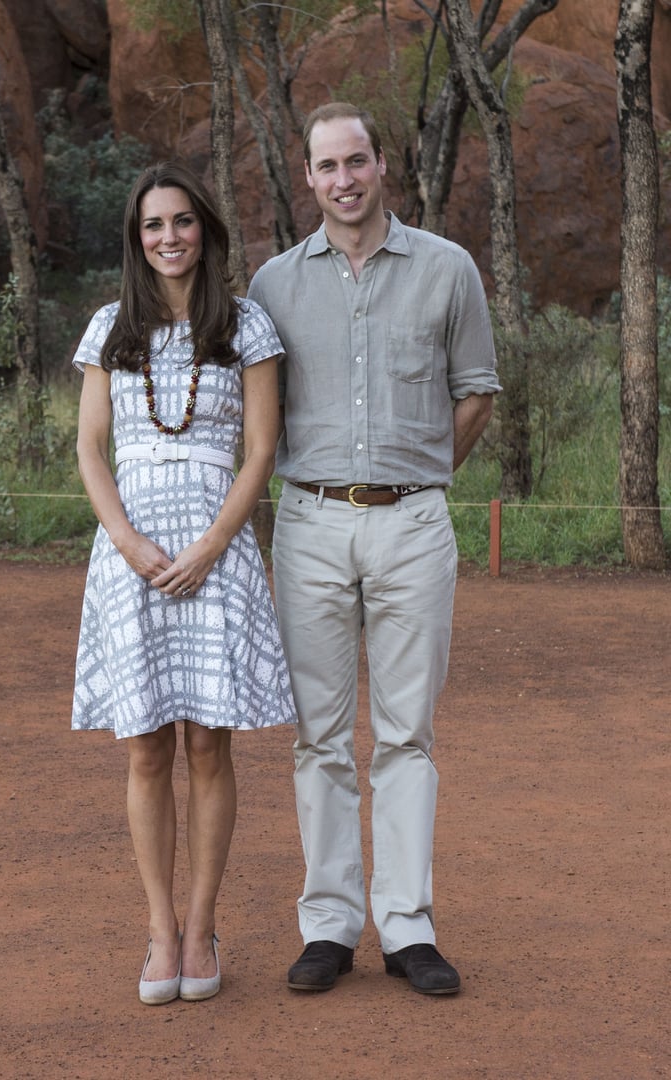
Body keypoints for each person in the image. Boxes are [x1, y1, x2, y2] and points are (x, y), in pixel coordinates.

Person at [248, 102, 501, 996]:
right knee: (318, 736)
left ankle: (406, 927)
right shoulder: (273, 286)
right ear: (307, 179)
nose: (344, 180)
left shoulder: (448, 270)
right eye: (327, 167)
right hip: (309, 522)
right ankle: (328, 925)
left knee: (407, 734)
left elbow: (475, 391)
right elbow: (255, 414)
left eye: (357, 161)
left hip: (413, 525)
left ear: (382, 164)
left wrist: (422, 476)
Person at [71, 161, 296, 1006]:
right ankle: (160, 930)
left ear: (206, 228)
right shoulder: (108, 329)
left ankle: (203, 928)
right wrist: (126, 540)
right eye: (152, 226)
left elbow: (262, 451)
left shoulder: (248, 327)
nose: (169, 238)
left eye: (182, 222)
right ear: (137, 240)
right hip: (129, 557)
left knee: (208, 744)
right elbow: (92, 450)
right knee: (145, 747)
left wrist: (209, 546)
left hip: (217, 549)